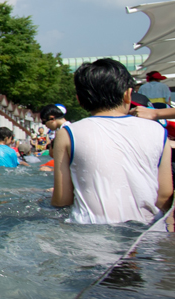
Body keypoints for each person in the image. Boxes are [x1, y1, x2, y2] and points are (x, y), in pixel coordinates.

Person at [52, 58, 173, 224]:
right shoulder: (159, 132)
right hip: (145, 232)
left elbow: (62, 200)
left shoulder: (68, 134)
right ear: (128, 95)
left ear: (79, 100)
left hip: (89, 233)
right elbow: (164, 196)